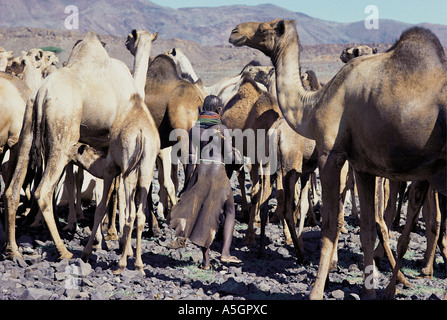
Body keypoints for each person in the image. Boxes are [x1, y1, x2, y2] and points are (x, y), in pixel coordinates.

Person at [169, 95, 242, 269]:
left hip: (200, 172)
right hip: (219, 174)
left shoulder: (195, 130)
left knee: (204, 214)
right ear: (219, 110)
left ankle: (206, 261)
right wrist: (233, 151)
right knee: (230, 210)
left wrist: (187, 185)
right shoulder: (223, 129)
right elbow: (231, 159)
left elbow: (191, 161)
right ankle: (225, 253)